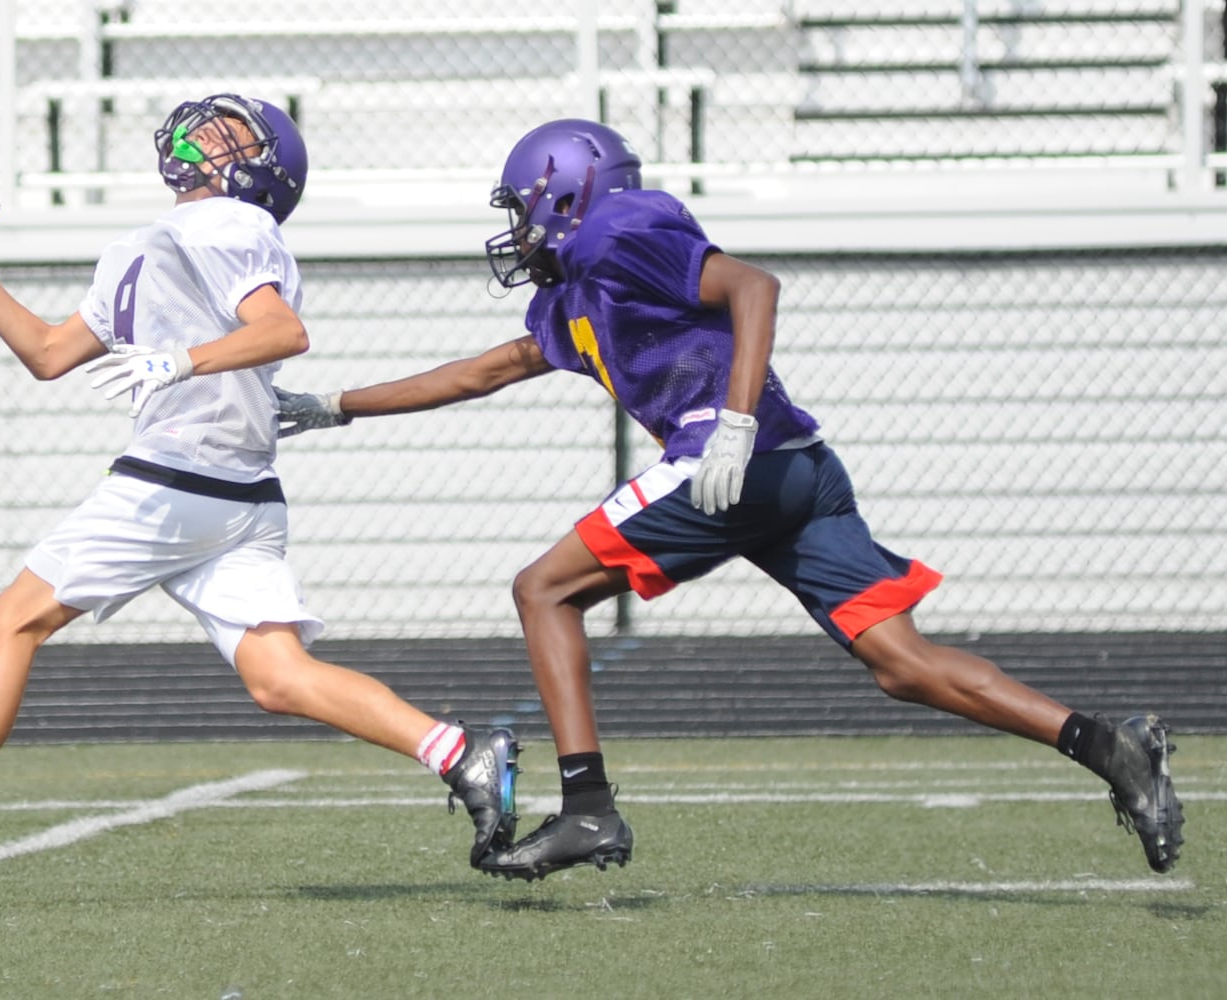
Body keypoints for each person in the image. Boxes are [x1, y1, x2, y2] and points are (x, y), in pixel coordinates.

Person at [275, 117, 1185, 882]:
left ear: (566, 191)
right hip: (798, 470)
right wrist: (334, 406)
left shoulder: (615, 231)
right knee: (902, 665)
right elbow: (486, 371)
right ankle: (1108, 747)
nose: (516, 231)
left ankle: (587, 806)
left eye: (522, 209)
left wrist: (735, 423)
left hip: (735, 456)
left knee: (541, 589)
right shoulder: (573, 295)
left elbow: (752, 285)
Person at [0, 93, 519, 887]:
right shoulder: (148, 243)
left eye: (232, 134)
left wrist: (178, 361)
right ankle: (460, 753)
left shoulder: (230, 222)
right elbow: (49, 354)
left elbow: (283, 332)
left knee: (12, 617)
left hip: (181, 477)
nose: (206, 133)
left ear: (256, 171)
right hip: (238, 493)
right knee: (278, 677)